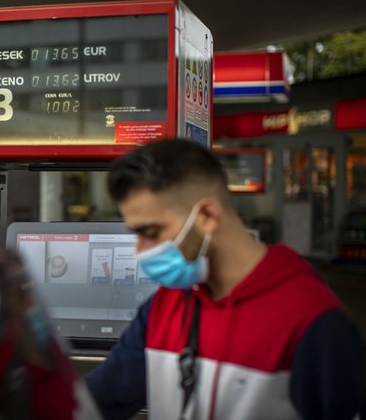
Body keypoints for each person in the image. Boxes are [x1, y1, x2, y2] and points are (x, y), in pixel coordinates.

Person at [85, 139, 365, 419]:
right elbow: (96, 402)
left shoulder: (313, 322)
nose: (139, 250)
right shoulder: (163, 307)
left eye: (151, 232)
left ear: (207, 215)